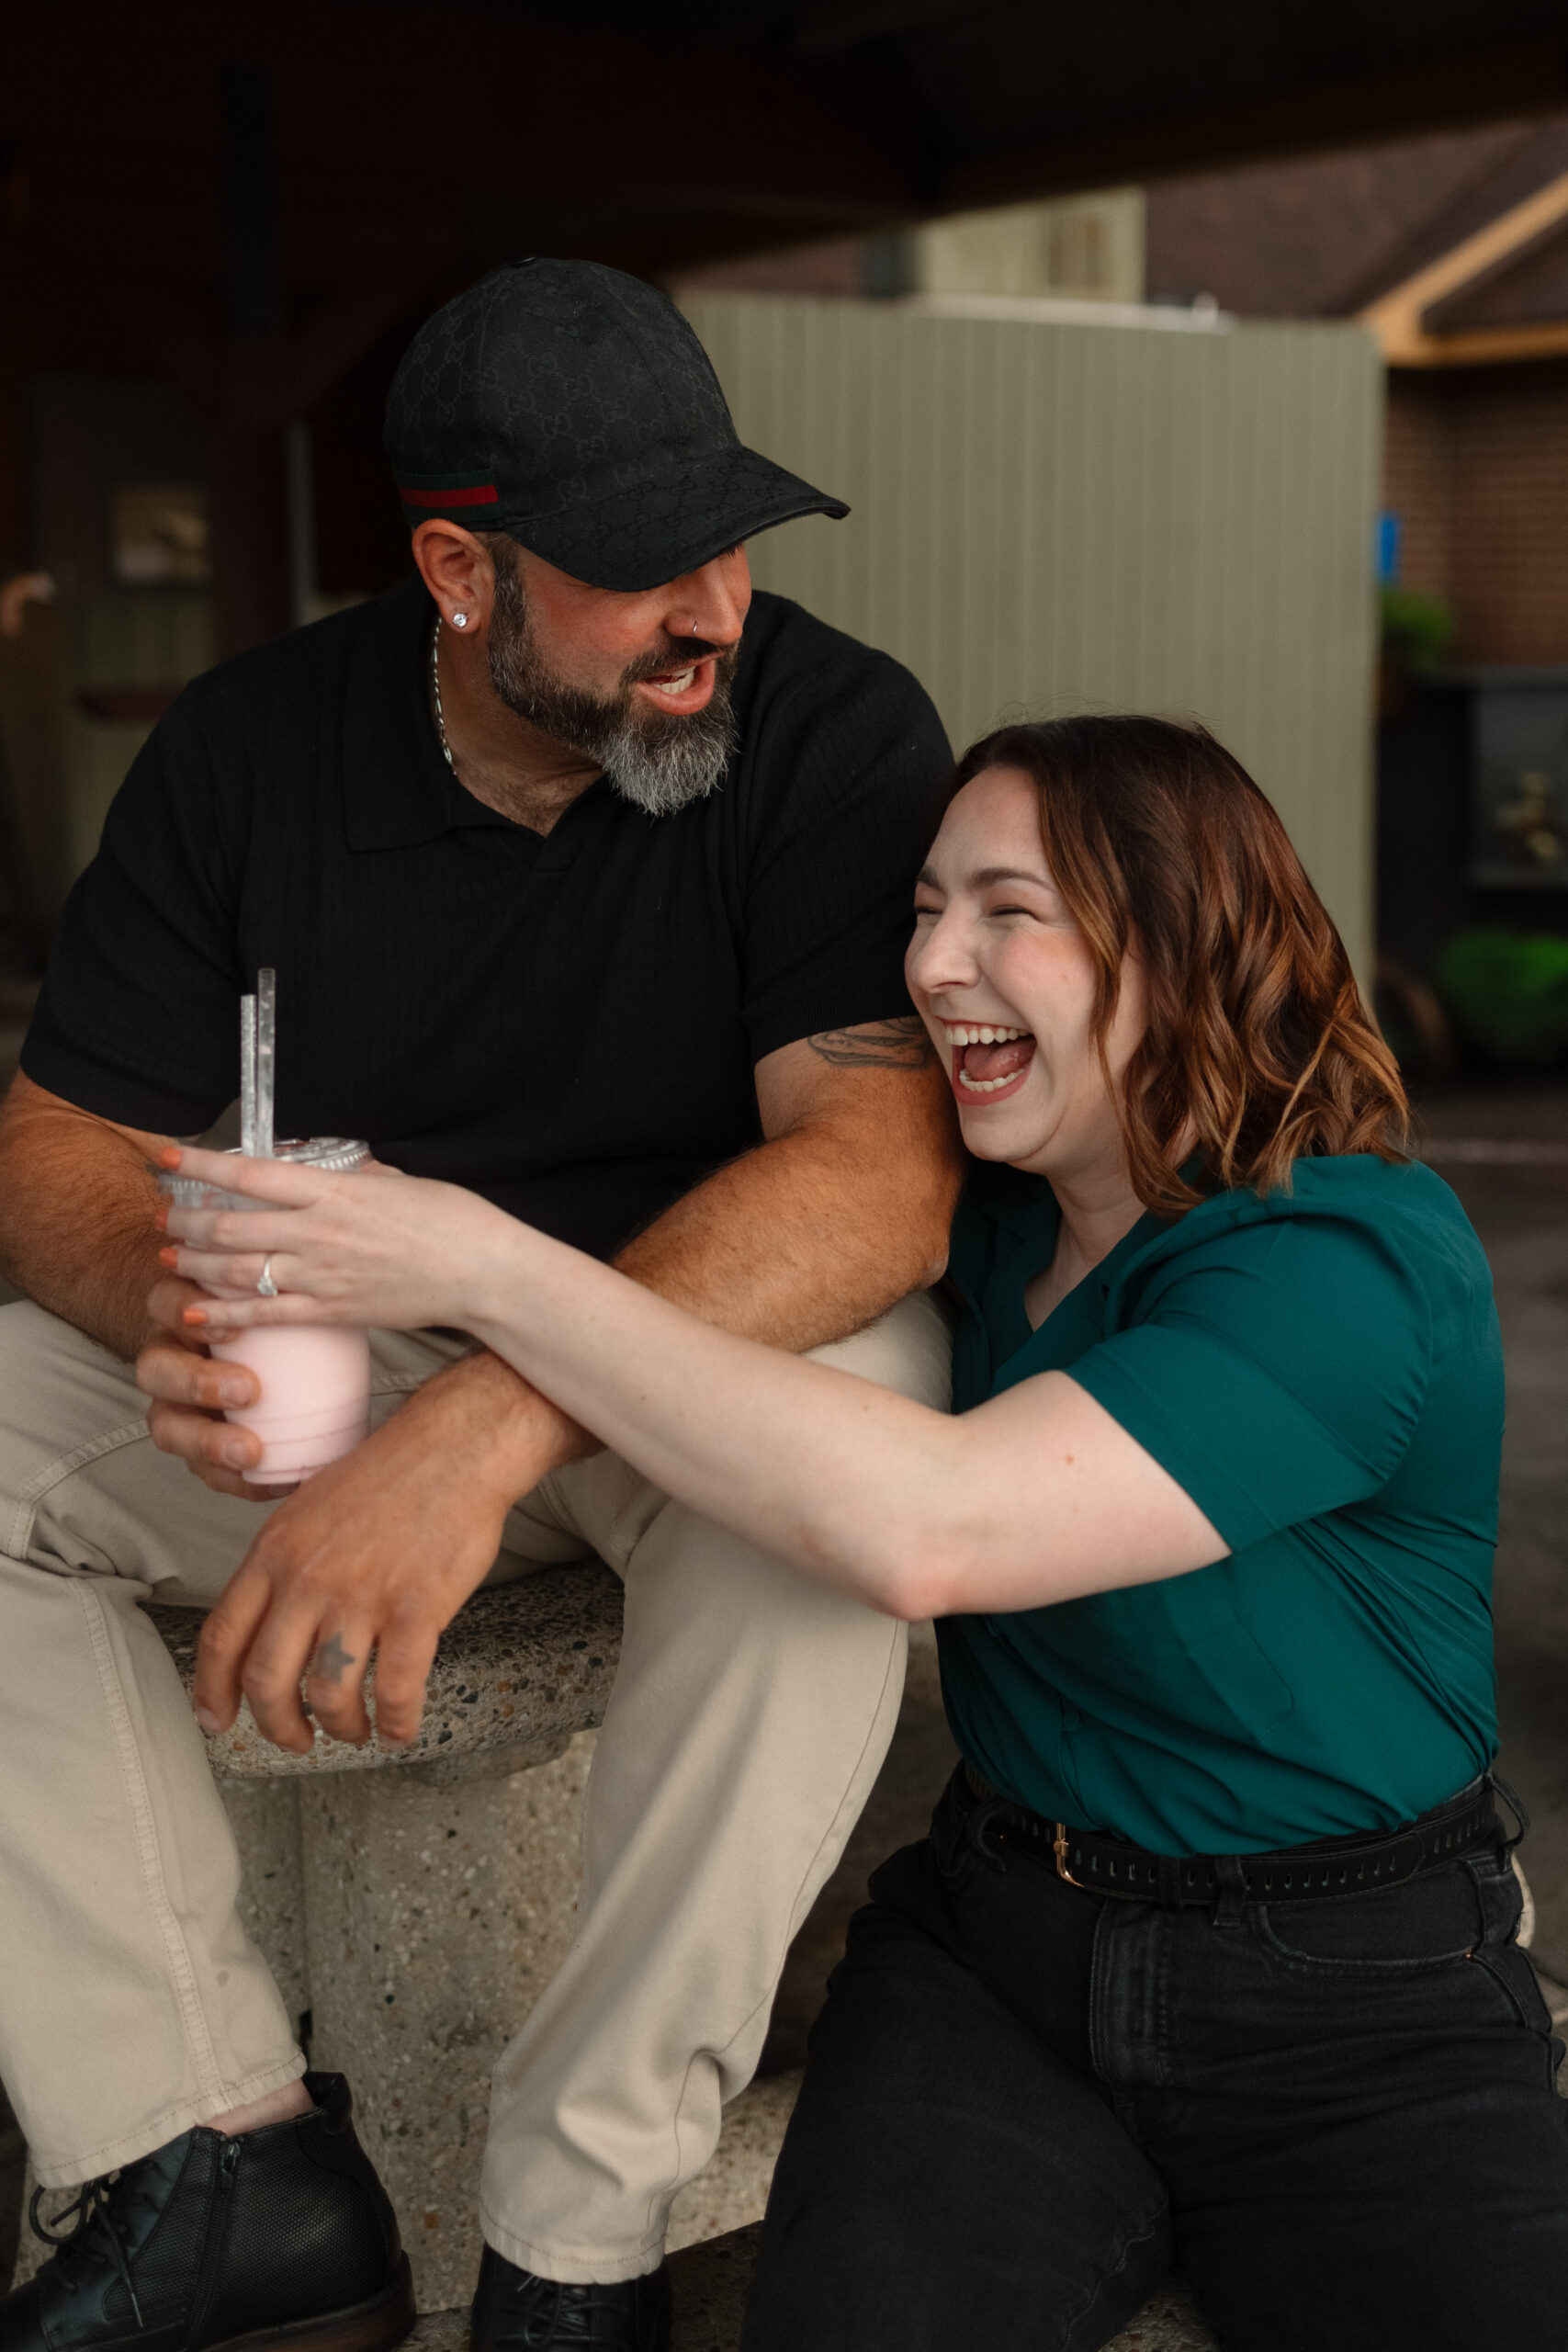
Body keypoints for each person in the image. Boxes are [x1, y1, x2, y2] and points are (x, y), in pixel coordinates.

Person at [159, 714, 1568, 2352]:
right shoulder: (992, 1224)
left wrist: (480, 1268)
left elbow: (930, 1534)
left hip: (1351, 1999)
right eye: (922, 904)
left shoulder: (1351, 1255)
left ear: (1184, 940)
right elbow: (725, 1340)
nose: (933, 961)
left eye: (1006, 909)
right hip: (1001, 1963)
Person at [0, 260, 962, 2352]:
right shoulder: (250, 744)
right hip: (343, 1348)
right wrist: (159, 1303)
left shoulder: (824, 721)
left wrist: (485, 1424)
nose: (709, 604)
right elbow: (53, 1135)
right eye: (637, 569)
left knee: (856, 1444)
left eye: (726, 537)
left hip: (684, 1348)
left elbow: (877, 1173)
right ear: (458, 567)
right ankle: (206, 2145)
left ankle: (573, 2237)